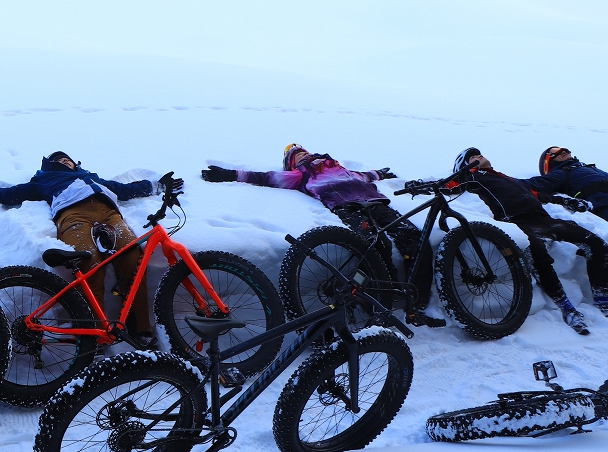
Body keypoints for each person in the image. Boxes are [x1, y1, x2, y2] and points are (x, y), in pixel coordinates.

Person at [0, 152, 182, 349]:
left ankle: (140, 327)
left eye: (67, 159)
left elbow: (123, 189)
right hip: (73, 215)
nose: (64, 162)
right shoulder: (44, 180)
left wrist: (157, 185)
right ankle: (94, 335)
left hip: (109, 213)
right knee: (89, 263)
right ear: (50, 166)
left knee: (133, 258)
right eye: (58, 160)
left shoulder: (92, 178)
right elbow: (9, 194)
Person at [202, 144, 444, 328]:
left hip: (375, 201)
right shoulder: (300, 174)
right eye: (295, 154)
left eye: (302, 150)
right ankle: (385, 306)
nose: (302, 153)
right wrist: (230, 174)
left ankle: (419, 303)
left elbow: (363, 175)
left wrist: (379, 173)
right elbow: (265, 177)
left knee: (413, 238)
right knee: (374, 246)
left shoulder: (336, 166)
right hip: (345, 206)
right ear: (291, 164)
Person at [452, 147, 608, 334]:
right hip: (519, 222)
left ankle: (602, 299)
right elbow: (449, 185)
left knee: (596, 243)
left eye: (478, 154)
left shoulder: (507, 179)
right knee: (537, 254)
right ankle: (566, 307)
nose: (478, 156)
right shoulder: (472, 178)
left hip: (544, 219)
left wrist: (566, 201)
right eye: (471, 158)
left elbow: (539, 195)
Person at [527, 147, 608, 222]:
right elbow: (529, 184)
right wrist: (513, 182)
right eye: (555, 150)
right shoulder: (560, 173)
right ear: (547, 162)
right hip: (602, 202)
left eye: (565, 150)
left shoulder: (589, 168)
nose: (563, 151)